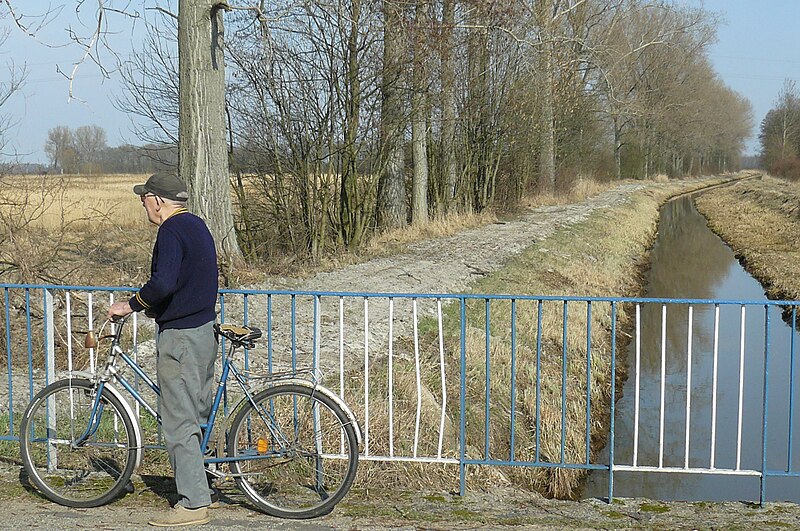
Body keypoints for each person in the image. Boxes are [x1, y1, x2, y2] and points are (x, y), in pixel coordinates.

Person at [107, 173, 218, 527]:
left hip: (181, 337)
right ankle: (206, 485)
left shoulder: (170, 231)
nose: (143, 206)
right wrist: (158, 306)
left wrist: (132, 305)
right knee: (199, 412)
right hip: (203, 329)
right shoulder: (196, 225)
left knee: (179, 419)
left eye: (144, 199)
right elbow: (189, 280)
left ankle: (193, 503)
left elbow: (165, 281)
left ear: (156, 199)